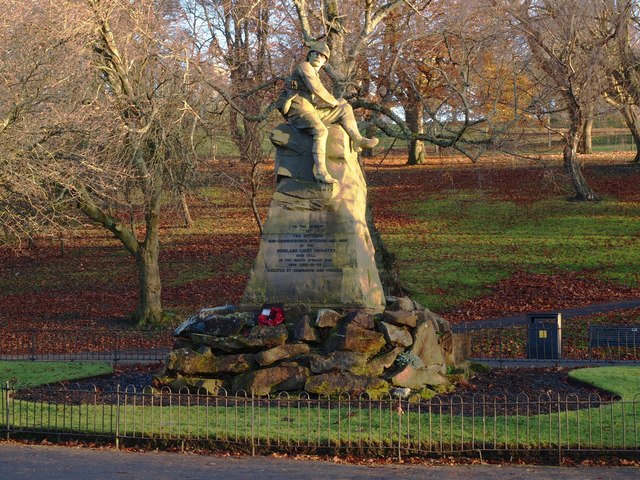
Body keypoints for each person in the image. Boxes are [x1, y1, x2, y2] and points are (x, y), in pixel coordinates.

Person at [276, 41, 379, 184]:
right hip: (298, 111)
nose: (318, 57)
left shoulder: (314, 73)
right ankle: (321, 173)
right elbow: (316, 89)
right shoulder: (305, 67)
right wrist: (334, 102)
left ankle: (358, 139)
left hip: (310, 110)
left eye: (322, 56)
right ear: (309, 56)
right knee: (321, 131)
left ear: (325, 61)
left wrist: (338, 103)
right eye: (315, 54)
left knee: (346, 108)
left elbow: (316, 97)